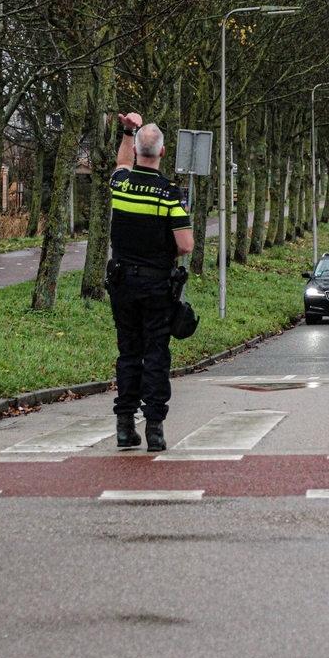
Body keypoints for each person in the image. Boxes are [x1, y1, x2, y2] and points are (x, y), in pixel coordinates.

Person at [106, 112, 194, 452]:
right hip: (156, 285)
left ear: (138, 151)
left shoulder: (121, 183)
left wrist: (129, 129)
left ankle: (125, 428)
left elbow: (120, 162)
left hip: (122, 282)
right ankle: (154, 430)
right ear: (162, 152)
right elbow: (185, 244)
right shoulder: (169, 193)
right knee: (156, 352)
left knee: (129, 352)